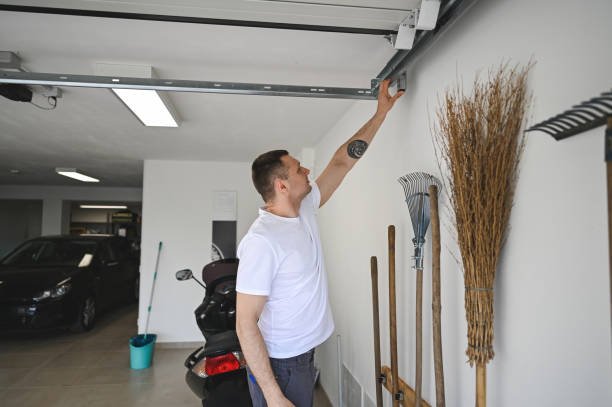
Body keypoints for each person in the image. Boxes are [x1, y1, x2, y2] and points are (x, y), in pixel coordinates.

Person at [236, 79, 403, 407]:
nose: (308, 169)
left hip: (300, 357)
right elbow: (245, 324)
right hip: (281, 366)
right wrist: (273, 394)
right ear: (282, 186)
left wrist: (381, 113)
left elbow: (342, 162)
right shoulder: (262, 241)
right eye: (299, 168)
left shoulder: (305, 207)